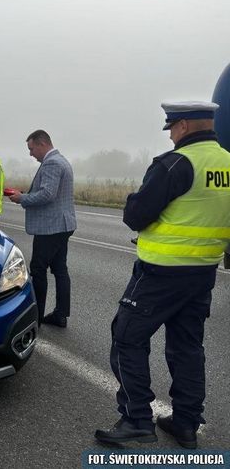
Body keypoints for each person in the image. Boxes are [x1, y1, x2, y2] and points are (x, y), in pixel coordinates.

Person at [94, 101, 230, 449]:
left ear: (183, 126)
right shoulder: (227, 164)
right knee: (187, 346)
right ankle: (186, 422)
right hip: (202, 273)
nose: (170, 134)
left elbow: (137, 215)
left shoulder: (175, 164)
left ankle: (137, 419)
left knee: (126, 338)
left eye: (171, 128)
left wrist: (131, 200)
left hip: (160, 273)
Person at [8, 130, 76, 327]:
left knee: (38, 270)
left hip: (51, 227)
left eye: (31, 149)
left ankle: (34, 318)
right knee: (60, 269)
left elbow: (47, 194)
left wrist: (22, 198)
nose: (30, 154)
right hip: (62, 225)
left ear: (41, 144)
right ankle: (60, 314)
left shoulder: (52, 163)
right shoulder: (61, 160)